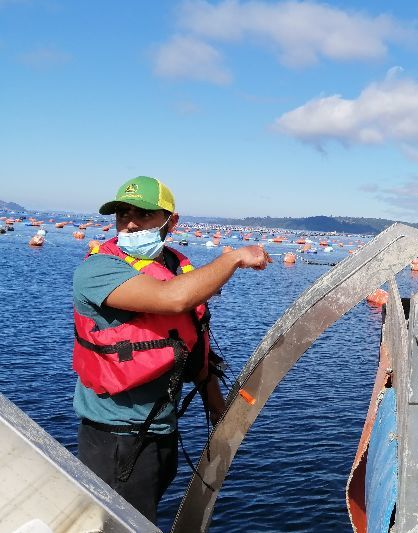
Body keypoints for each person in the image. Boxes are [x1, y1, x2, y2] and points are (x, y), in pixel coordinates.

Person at [72, 175, 271, 522]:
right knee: (118, 525)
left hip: (161, 432)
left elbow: (192, 336)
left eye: (143, 215)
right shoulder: (98, 269)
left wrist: (214, 400)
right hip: (115, 438)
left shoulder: (175, 267)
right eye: (122, 214)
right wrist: (234, 258)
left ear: (170, 221)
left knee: (144, 518)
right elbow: (173, 298)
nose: (130, 224)